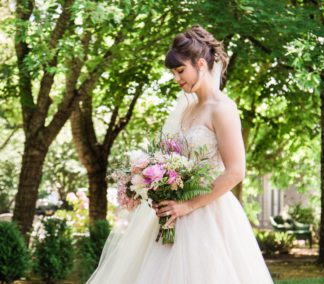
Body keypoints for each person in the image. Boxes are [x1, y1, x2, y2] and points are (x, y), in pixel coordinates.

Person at [86, 24, 274, 284]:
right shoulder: (187, 109)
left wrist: (187, 205)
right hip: (172, 212)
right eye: (174, 72)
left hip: (208, 214)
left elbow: (235, 171)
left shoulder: (223, 109)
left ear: (200, 64)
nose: (177, 78)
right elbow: (172, 158)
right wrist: (148, 179)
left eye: (180, 70)